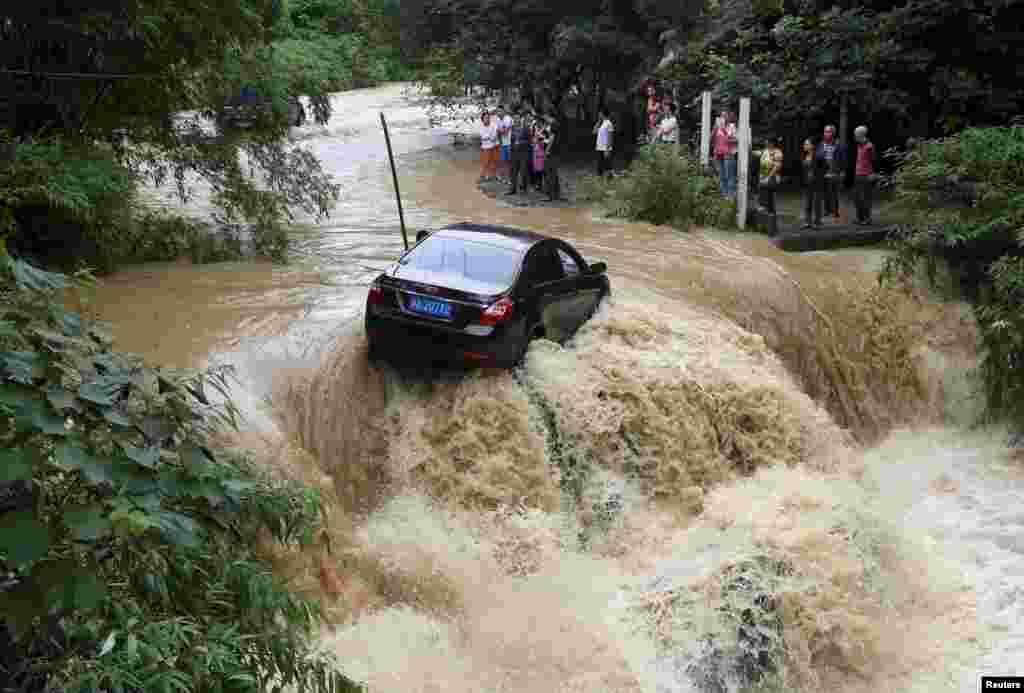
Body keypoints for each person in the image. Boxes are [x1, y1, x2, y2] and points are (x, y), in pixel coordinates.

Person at [815, 125, 847, 220]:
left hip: (834, 171)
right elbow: (817, 156)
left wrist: (842, 171)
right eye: (825, 132)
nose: (826, 134)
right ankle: (827, 210)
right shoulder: (821, 144)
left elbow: (843, 159)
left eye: (828, 132)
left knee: (834, 192)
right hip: (823, 172)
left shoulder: (839, 144)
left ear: (833, 133)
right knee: (825, 192)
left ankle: (835, 211)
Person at [754, 135, 784, 215]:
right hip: (762, 177)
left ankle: (771, 216)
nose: (765, 142)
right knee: (762, 195)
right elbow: (757, 153)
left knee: (769, 197)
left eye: (767, 141)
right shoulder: (765, 151)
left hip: (772, 178)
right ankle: (765, 215)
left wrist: (768, 177)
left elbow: (777, 166)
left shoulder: (777, 152)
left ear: (772, 143)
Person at [853, 125, 876, 225]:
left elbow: (874, 161)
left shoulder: (869, 146)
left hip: (866, 175)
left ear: (861, 134)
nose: (854, 136)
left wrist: (872, 173)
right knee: (857, 197)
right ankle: (860, 218)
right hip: (858, 174)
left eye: (856, 134)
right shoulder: (859, 145)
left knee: (866, 198)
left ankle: (867, 219)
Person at [507, 109, 533, 195]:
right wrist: (511, 150)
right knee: (513, 172)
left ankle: (524, 188)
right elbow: (512, 140)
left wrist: (520, 142)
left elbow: (530, 141)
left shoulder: (526, 128)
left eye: (517, 118)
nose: (515, 120)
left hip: (523, 154)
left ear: (520, 119)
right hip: (514, 154)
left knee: (523, 171)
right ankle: (512, 189)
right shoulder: (513, 128)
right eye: (514, 118)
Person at [800, 138, 823, 229]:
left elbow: (823, 168)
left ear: (812, 146)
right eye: (804, 144)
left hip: (816, 183)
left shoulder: (818, 156)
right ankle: (807, 222)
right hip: (807, 183)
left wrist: (818, 177)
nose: (804, 146)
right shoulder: (804, 156)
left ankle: (817, 222)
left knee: (816, 203)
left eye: (807, 144)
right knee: (807, 203)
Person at [594, 107, 615, 179]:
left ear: (602, 114)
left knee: (607, 165)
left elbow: (610, 137)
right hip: (599, 147)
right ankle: (601, 178)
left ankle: (609, 178)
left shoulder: (609, 123)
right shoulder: (602, 123)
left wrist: (607, 149)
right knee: (600, 165)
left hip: (605, 148)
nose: (598, 114)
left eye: (599, 113)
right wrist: (598, 122)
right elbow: (594, 131)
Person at [544, 117, 561, 201]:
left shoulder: (553, 132)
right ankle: (556, 194)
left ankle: (550, 195)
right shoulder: (557, 127)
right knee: (554, 175)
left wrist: (546, 152)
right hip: (556, 155)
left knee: (550, 175)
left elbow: (551, 141)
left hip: (551, 155)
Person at [479, 110, 498, 181]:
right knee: (485, 162)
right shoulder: (481, 127)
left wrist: (489, 136)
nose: (487, 119)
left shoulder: (493, 124)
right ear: (482, 119)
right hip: (485, 147)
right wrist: (489, 136)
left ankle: (493, 175)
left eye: (488, 117)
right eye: (485, 118)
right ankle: (483, 176)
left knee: (494, 161)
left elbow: (494, 136)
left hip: (494, 146)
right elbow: (483, 136)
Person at [496, 105, 513, 183]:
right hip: (503, 143)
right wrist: (501, 131)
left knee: (509, 161)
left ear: (504, 111)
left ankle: (510, 178)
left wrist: (501, 130)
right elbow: (499, 133)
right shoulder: (498, 120)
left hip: (509, 143)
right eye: (497, 111)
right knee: (503, 161)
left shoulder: (508, 118)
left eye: (500, 111)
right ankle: (505, 177)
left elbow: (505, 132)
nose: (498, 113)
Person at [531, 121, 546, 192]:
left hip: (541, 153)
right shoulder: (535, 130)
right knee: (535, 169)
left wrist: (539, 138)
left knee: (541, 169)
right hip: (535, 152)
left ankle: (540, 185)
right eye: (537, 124)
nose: (538, 125)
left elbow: (544, 142)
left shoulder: (545, 131)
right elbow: (533, 140)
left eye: (540, 123)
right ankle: (536, 184)